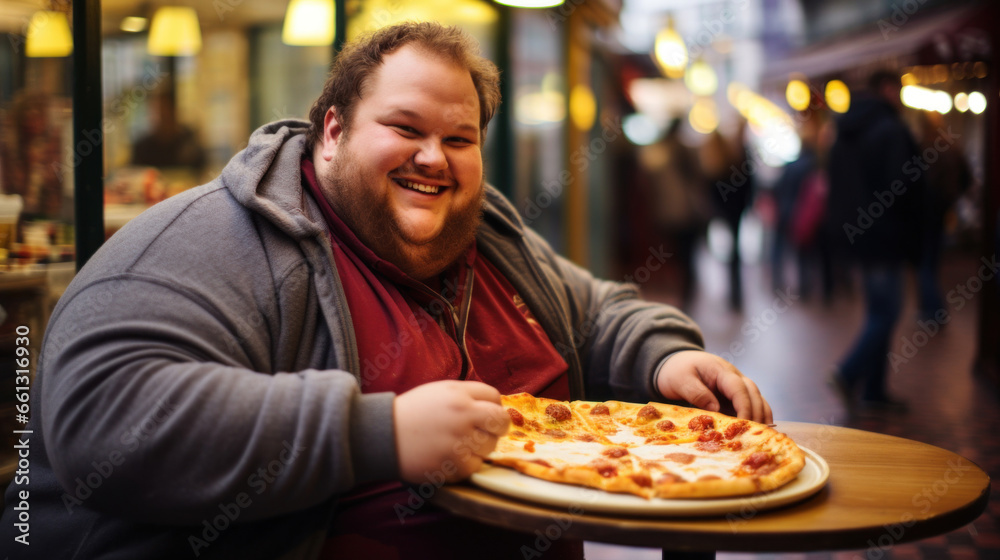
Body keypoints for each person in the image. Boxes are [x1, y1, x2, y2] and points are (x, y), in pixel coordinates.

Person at [1, 22, 772, 559]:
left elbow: (596, 310)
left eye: (460, 138)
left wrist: (663, 358)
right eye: (405, 128)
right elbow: (101, 415)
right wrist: (379, 433)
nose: (435, 158)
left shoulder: (483, 227)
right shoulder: (214, 239)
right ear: (331, 131)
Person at [825, 70, 925, 412]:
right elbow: (903, 187)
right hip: (886, 235)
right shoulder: (891, 130)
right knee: (886, 313)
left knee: (878, 310)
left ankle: (875, 390)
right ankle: (848, 372)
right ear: (887, 89)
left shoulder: (843, 132)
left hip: (857, 236)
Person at [645, 117, 710, 309]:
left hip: (675, 213)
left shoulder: (661, 152)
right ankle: (685, 293)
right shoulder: (681, 151)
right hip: (685, 213)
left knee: (678, 256)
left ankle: (683, 292)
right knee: (685, 257)